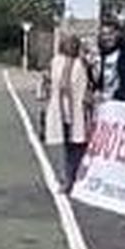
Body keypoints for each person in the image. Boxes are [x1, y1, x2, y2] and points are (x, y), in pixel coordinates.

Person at [39, 32, 95, 193]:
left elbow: (91, 82)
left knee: (78, 145)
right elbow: (48, 82)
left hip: (79, 111)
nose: (71, 46)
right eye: (68, 43)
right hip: (60, 110)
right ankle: (68, 179)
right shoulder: (56, 62)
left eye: (74, 44)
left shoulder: (83, 62)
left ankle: (76, 178)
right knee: (67, 146)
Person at [94, 18, 125, 104]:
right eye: (103, 34)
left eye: (110, 34)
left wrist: (117, 95)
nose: (107, 38)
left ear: (118, 34)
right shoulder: (101, 55)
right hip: (104, 104)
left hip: (123, 104)